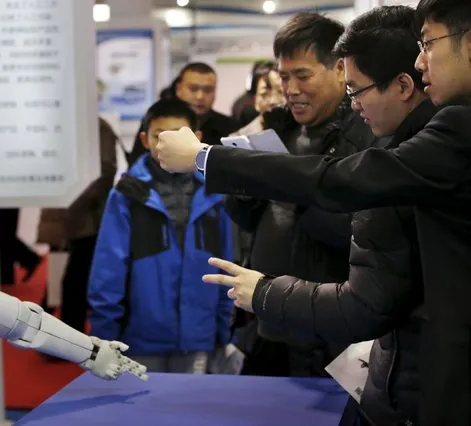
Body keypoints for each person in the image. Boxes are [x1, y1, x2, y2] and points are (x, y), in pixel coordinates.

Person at [155, 0, 471, 423]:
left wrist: (205, 158)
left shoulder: (431, 136)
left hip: (392, 366)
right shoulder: (293, 129)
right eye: (283, 76)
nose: (421, 61)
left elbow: (341, 191)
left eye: (429, 43)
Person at [225, 12, 378, 378]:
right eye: (284, 76)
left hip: (330, 333)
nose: (290, 88)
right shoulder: (280, 129)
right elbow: (246, 217)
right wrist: (245, 185)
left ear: (340, 70)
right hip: (268, 323)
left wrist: (294, 187)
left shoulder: (365, 136)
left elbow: (361, 232)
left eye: (303, 75)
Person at [87, 99, 234, 373]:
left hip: (200, 336)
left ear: (197, 139)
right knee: (145, 412)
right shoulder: (128, 194)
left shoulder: (215, 192)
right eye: (159, 136)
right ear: (144, 139)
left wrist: (224, 330)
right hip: (141, 339)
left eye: (179, 135)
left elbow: (228, 263)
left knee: (193, 411)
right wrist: (104, 334)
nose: (168, 144)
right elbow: (108, 270)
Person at [40, 117, 118, 333]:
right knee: (73, 278)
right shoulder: (75, 123)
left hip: (90, 218)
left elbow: (105, 172)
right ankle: (67, 332)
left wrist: (74, 201)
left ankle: (70, 333)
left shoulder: (96, 126)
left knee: (77, 280)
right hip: (76, 215)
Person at [127, 63, 238, 165]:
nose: (200, 96)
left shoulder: (228, 127)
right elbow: (136, 162)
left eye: (208, 90)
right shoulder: (158, 119)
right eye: (193, 89)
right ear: (179, 89)